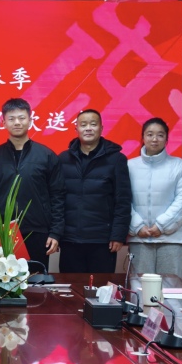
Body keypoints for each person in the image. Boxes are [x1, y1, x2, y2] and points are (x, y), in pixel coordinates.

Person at [0, 98, 65, 271]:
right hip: (2, 232)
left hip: (38, 232)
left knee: (36, 282)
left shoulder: (46, 156)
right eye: (11, 119)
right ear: (3, 122)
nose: (17, 123)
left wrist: (55, 232)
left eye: (21, 118)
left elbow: (58, 196)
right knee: (2, 281)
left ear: (30, 120)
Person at [58, 109, 132, 273]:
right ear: (76, 129)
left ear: (101, 128)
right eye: (83, 125)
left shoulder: (116, 159)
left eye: (93, 124)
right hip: (70, 239)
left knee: (101, 287)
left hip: (102, 240)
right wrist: (56, 234)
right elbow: (57, 199)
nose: (88, 128)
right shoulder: (63, 159)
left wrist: (118, 235)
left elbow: (123, 201)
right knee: (72, 287)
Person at [128, 118, 182, 279]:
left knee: (172, 287)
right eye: (150, 134)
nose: (154, 139)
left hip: (171, 239)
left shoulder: (179, 166)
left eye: (160, 135)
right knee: (140, 287)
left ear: (166, 139)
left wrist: (161, 225)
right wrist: (137, 226)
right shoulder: (129, 166)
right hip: (139, 238)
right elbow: (123, 201)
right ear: (143, 137)